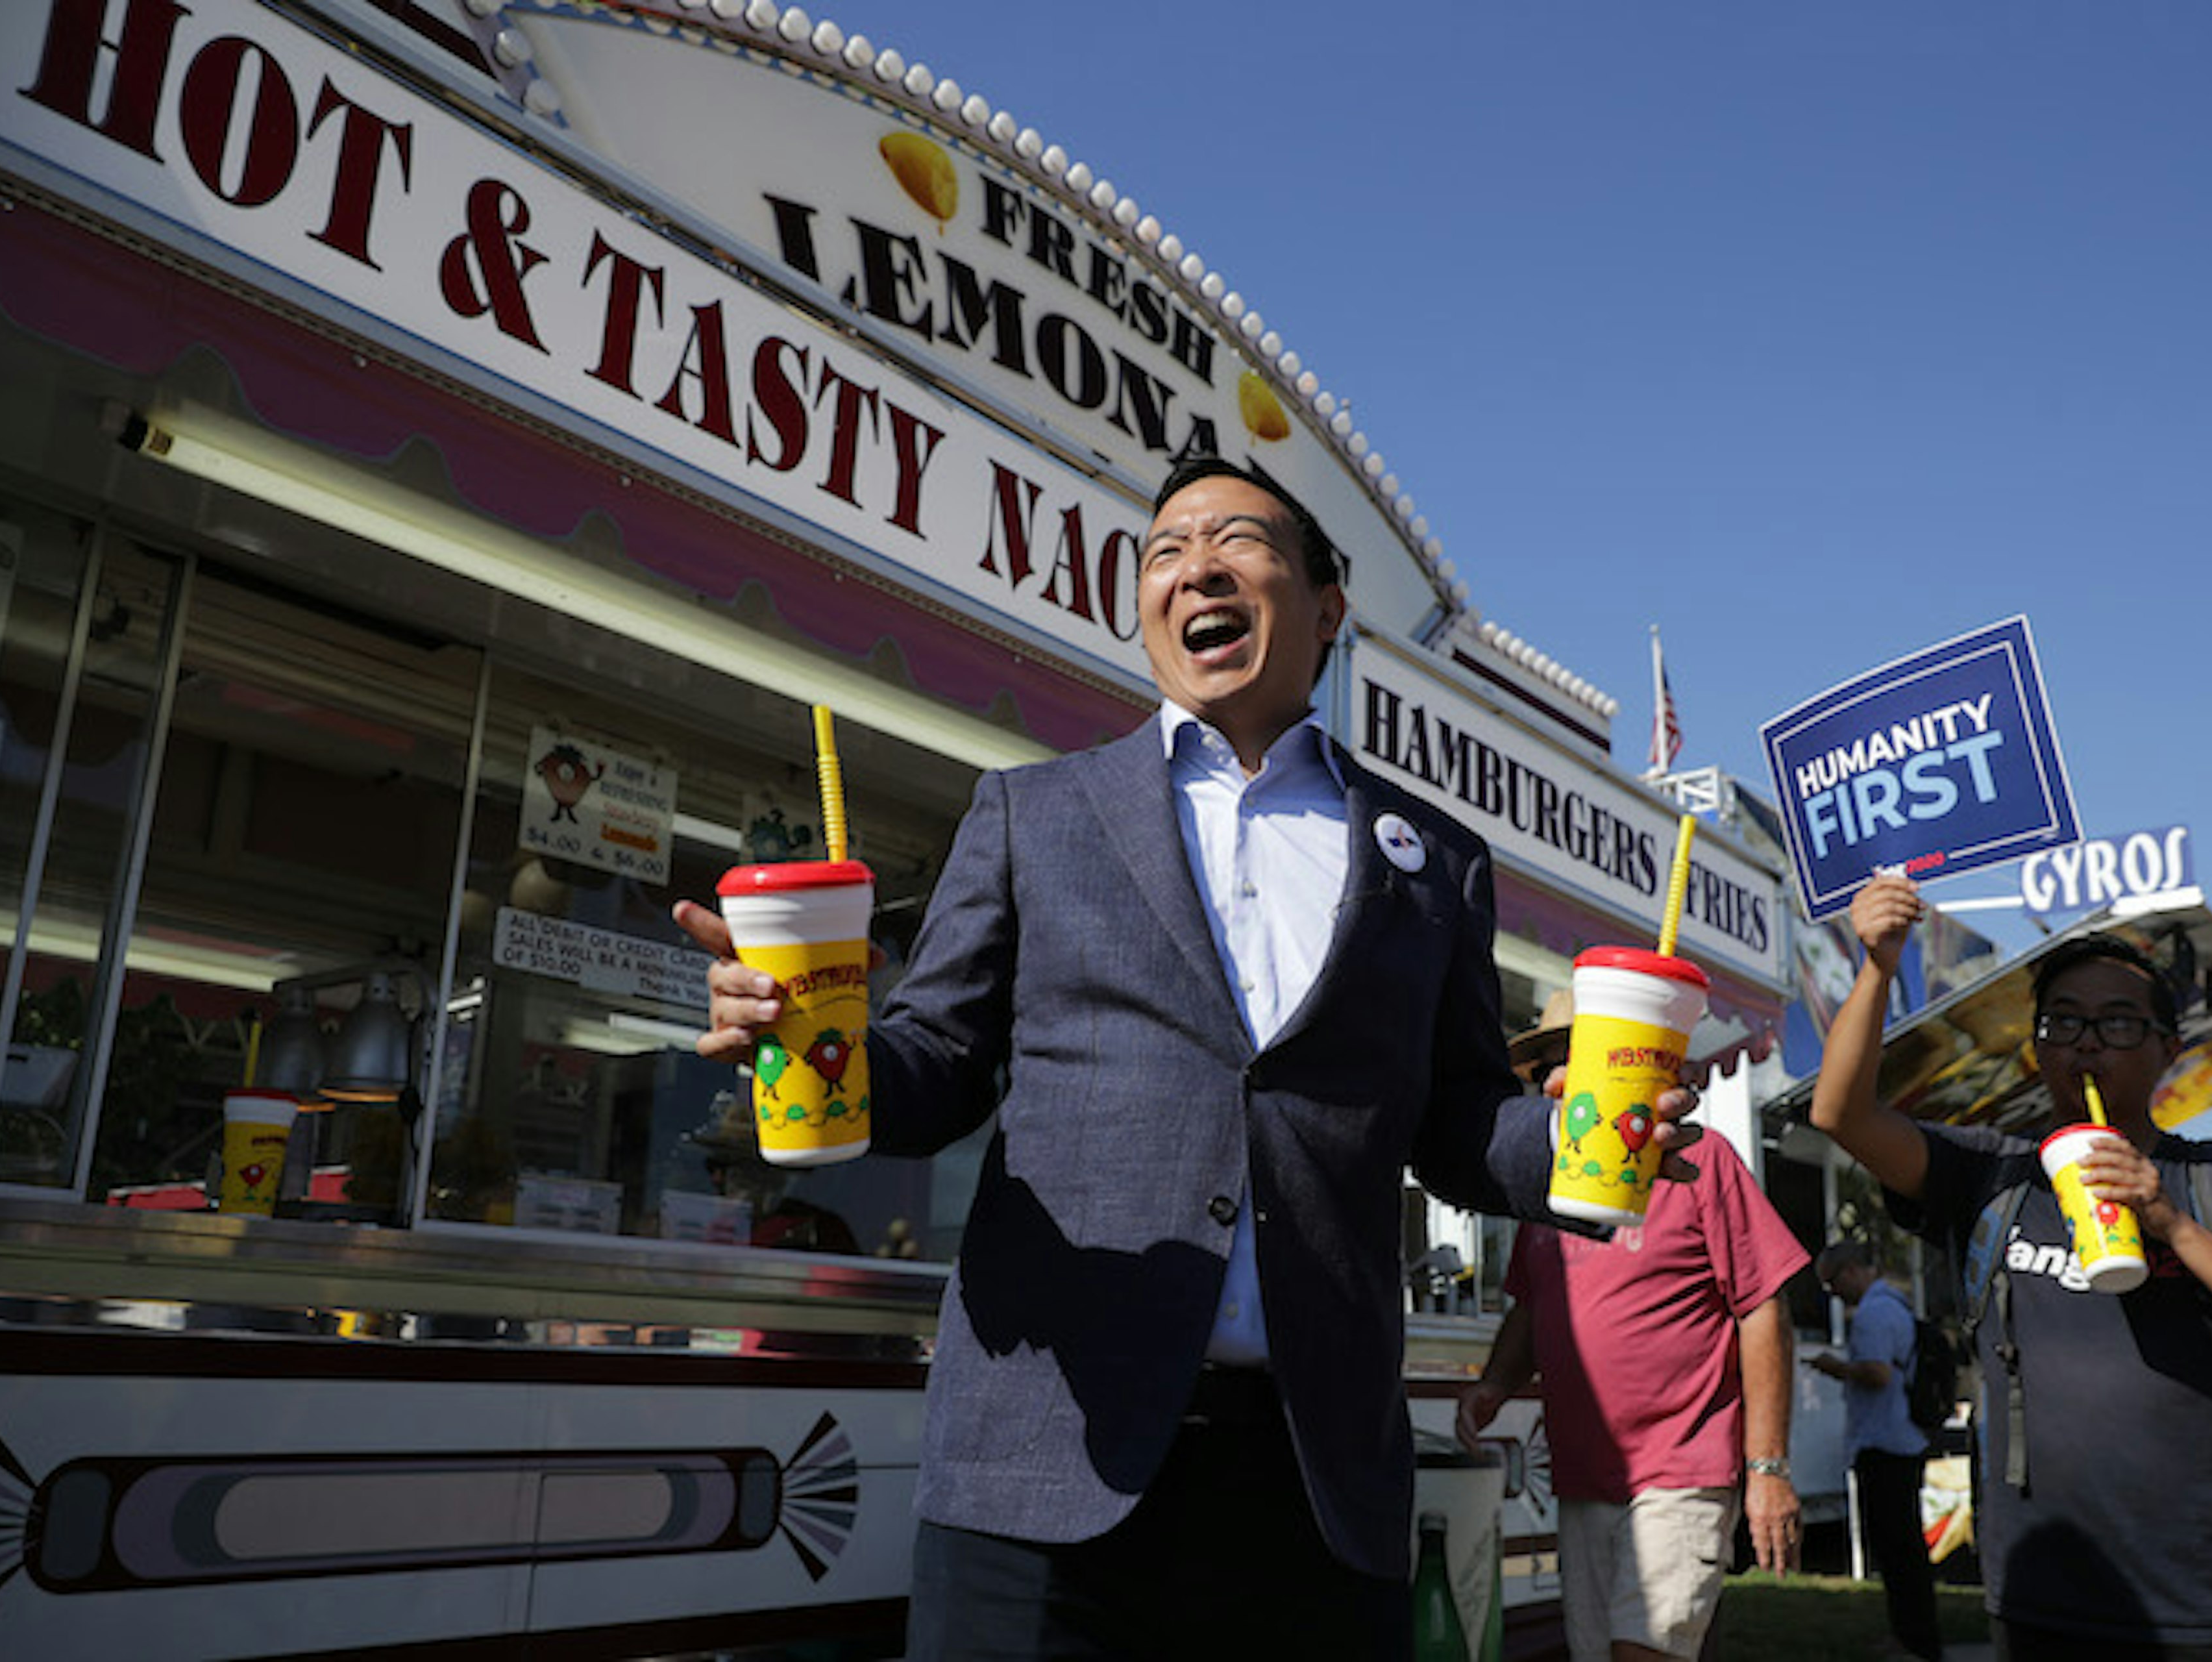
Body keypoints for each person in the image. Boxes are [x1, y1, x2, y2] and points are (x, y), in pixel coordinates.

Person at [674, 455, 1702, 1660]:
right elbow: (936, 1064)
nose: (1195, 566)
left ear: (1327, 608)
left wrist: (1594, 1132)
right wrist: (806, 1039)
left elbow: (1461, 1122)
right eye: (1164, 552)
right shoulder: (1031, 812)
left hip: (1315, 1473)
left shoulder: (1435, 856)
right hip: (1049, 1449)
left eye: (1238, 540)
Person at [1810, 871, 2212, 1661]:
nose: (2087, 1041)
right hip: (2043, 1597)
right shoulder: (1990, 1173)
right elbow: (1841, 1114)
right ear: (2039, 1049)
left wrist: (2169, 1223)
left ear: (2170, 1048)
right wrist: (1878, 967)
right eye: (2063, 1023)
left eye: (2118, 1023)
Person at [1456, 996, 1806, 1662]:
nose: (1561, 1085)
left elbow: (1763, 1305)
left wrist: (1767, 1469)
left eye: (1584, 1063)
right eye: (1549, 1072)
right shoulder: (1548, 1181)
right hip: (1586, 1476)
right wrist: (1494, 1383)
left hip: (1683, 1467)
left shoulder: (1703, 1160)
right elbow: (1533, 1306)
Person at [1809, 1237, 1941, 1662]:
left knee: (1899, 1551)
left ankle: (1915, 1643)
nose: (1832, 1294)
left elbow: (1879, 1374)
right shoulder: (1894, 1305)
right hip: (1900, 1440)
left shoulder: (1874, 1313)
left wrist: (1836, 1368)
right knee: (1902, 1549)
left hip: (1886, 1442)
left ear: (1850, 1272)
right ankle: (1910, 1637)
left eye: (1832, 1283)